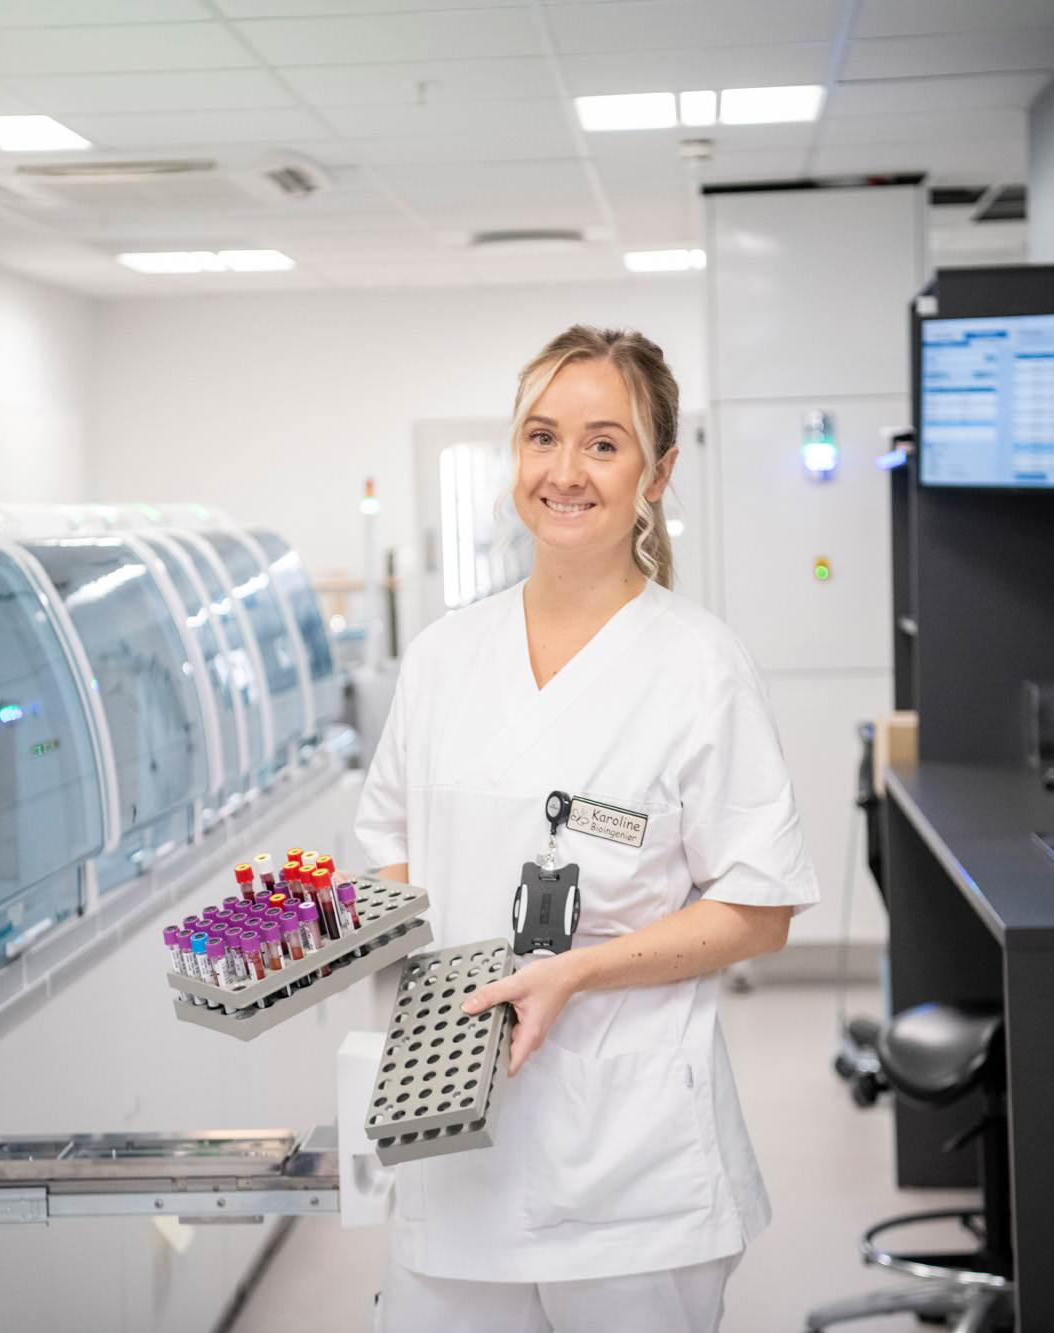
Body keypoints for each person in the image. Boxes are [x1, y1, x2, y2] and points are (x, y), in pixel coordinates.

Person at [356, 325, 817, 1332]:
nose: (565, 471)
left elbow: (759, 907)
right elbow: (390, 849)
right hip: (453, 1145)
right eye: (542, 437)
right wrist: (335, 937)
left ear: (658, 472)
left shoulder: (698, 666)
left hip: (630, 1163)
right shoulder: (441, 659)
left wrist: (576, 972)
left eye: (603, 443)